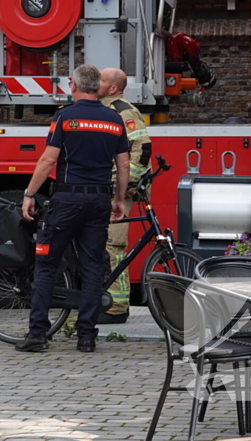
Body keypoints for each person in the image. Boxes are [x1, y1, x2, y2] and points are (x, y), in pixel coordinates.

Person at [16, 64, 129, 353]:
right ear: (97, 87)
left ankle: (38, 335)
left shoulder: (65, 116)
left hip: (68, 201)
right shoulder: (114, 119)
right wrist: (119, 198)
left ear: (74, 86)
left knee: (47, 264)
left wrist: (30, 193)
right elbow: (124, 164)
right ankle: (87, 337)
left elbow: (47, 160)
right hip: (99, 202)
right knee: (92, 267)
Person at [96, 67, 152, 325]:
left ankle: (117, 307)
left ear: (114, 88)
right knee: (104, 245)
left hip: (117, 189)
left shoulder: (122, 109)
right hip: (107, 186)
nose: (98, 82)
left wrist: (128, 183)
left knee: (113, 245)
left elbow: (142, 146)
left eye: (103, 80)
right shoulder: (105, 108)